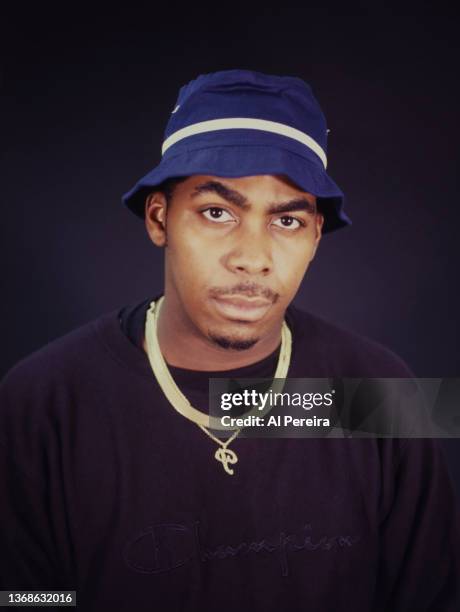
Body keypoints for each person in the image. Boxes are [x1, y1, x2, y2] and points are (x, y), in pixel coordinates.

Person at [0, 69, 458, 611]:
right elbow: (24, 597)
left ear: (315, 236)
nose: (252, 258)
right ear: (159, 218)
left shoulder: (379, 393)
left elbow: (432, 594)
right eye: (218, 212)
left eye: (286, 221)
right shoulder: (42, 401)